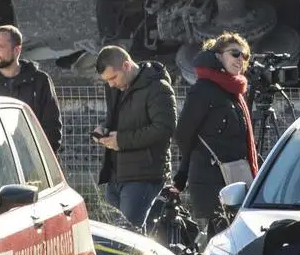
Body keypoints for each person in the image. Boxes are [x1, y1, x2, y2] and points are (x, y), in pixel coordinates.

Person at [173, 33, 258, 232]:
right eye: (235, 53)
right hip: (212, 181)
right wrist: (188, 168)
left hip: (233, 179)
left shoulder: (234, 91)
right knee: (219, 238)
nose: (240, 60)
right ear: (218, 56)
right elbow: (183, 134)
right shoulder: (203, 90)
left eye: (245, 57)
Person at [93, 45, 176, 228]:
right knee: (124, 238)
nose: (111, 84)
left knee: (129, 238)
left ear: (127, 66)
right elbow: (118, 121)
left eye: (113, 78)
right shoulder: (115, 88)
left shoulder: (158, 88)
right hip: (116, 175)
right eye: (106, 80)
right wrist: (104, 130)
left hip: (143, 175)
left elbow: (164, 129)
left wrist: (120, 141)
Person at [0, 25, 63, 153]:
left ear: (17, 50)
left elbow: (52, 129)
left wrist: (35, 161)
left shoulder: (40, 82)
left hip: (32, 166)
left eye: (0, 47)